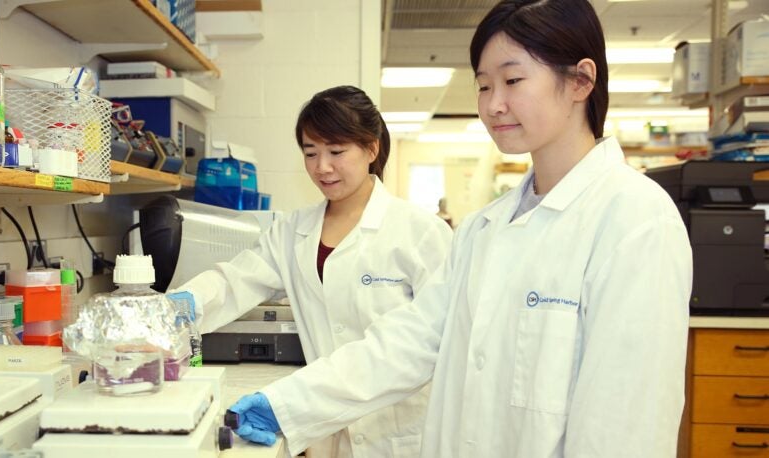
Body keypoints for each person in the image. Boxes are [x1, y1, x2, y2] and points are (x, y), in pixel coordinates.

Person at [228, 1, 693, 457]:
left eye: (512, 80)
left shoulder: (634, 221)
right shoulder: (484, 230)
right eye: (484, 86)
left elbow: (625, 428)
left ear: (580, 80)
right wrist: (287, 405)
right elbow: (407, 342)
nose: (493, 105)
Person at [170, 85, 453, 457]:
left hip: (400, 432)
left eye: (336, 151)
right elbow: (236, 280)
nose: (322, 167)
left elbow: (422, 345)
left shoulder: (421, 232)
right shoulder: (293, 231)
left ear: (372, 148)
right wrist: (181, 306)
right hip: (326, 429)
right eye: (310, 153)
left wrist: (289, 404)